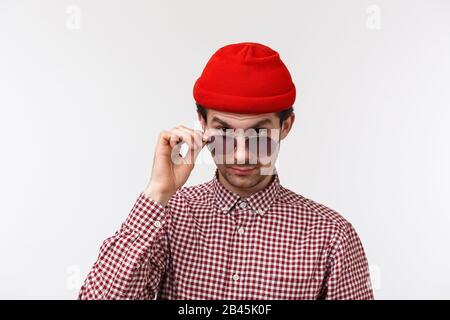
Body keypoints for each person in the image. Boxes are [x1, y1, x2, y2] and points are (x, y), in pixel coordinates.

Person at [78, 42, 374, 300]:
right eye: (224, 132)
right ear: (202, 124)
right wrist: (157, 193)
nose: (242, 154)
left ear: (286, 126)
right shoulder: (166, 217)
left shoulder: (332, 236)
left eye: (259, 133)